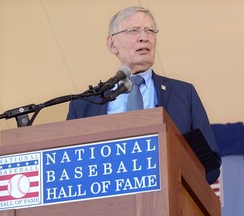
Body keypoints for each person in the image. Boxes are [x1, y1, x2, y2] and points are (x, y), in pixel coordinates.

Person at [67, 6, 221, 184]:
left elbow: (210, 165)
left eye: (149, 30)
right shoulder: (85, 104)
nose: (144, 37)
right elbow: (72, 169)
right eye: (133, 31)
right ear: (112, 44)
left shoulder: (184, 94)